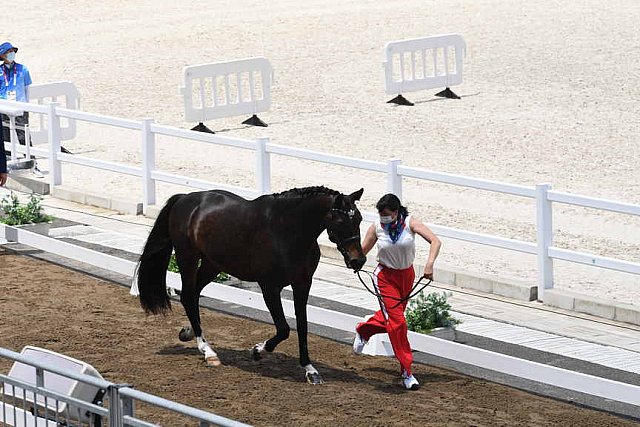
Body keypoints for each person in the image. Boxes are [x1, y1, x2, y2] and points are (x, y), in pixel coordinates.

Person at [353, 193, 442, 390]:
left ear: (396, 211)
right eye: (381, 214)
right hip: (385, 277)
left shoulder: (410, 223)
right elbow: (362, 252)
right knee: (398, 323)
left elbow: (435, 241)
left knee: (393, 319)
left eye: (387, 214)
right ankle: (407, 371)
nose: (383, 218)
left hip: (406, 276)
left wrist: (429, 265)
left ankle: (364, 330)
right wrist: (354, 260)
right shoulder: (377, 227)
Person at [0, 41, 43, 178]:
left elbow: (26, 89)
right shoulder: (0, 72)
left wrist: (27, 107)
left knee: (23, 136)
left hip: (20, 106)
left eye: (12, 51)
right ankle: (6, 167)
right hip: (4, 107)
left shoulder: (23, 69)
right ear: (2, 55)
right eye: (7, 52)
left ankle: (33, 165)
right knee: (4, 137)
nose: (11, 54)